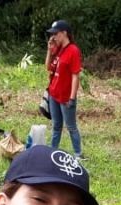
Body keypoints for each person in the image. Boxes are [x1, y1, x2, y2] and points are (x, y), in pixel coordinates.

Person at [45, 20, 84, 160]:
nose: (54, 37)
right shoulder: (58, 49)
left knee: (71, 126)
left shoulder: (73, 50)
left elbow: (75, 75)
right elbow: (48, 67)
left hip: (66, 96)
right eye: (52, 34)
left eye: (56, 34)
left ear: (64, 33)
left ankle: (78, 154)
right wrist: (49, 50)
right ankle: (52, 151)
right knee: (56, 126)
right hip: (54, 93)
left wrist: (72, 98)